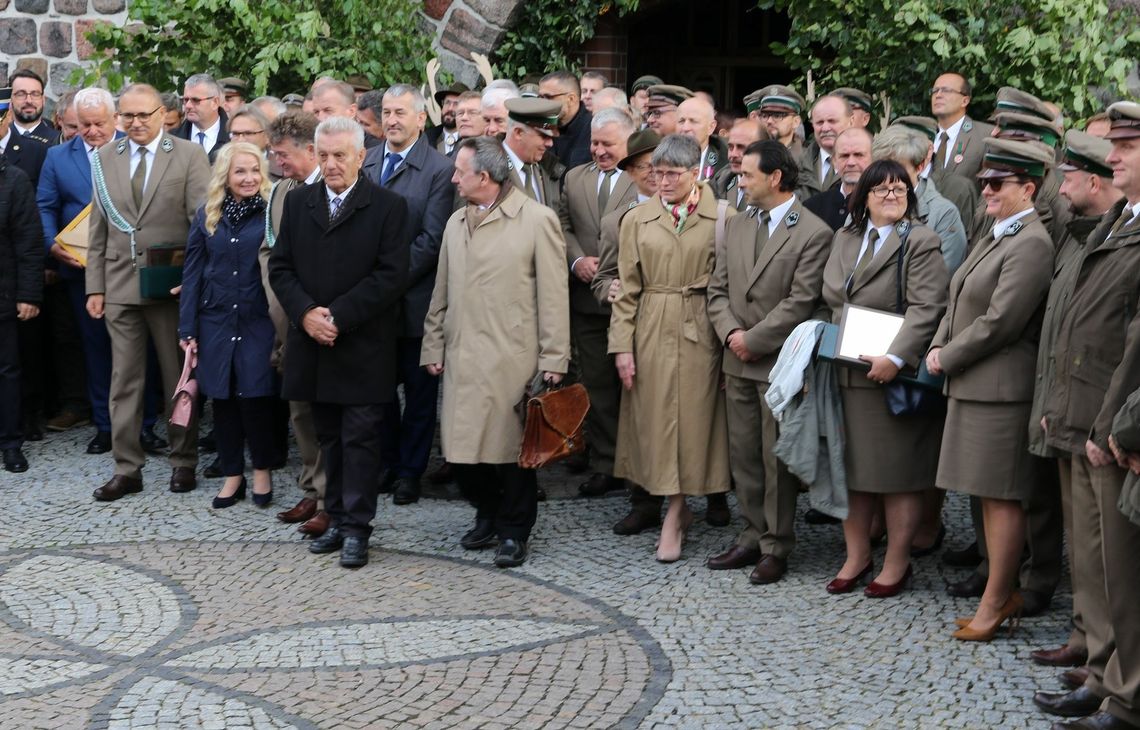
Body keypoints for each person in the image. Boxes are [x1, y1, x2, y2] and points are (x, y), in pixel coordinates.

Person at [1035, 101, 1140, 729]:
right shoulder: (1121, 218)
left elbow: (1133, 343)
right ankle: (1106, 676)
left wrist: (1113, 426)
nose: (1115, 155)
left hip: (1115, 421)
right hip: (1087, 413)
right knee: (1098, 567)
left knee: (1121, 572)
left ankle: (1125, 694)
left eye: (1127, 145)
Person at [421, 136, 570, 568]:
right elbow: (441, 290)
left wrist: (554, 358)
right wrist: (433, 342)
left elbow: (554, 295)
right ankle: (487, 511)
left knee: (511, 455)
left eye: (459, 171)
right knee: (462, 455)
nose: (453, 178)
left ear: (483, 177)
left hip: (513, 358)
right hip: (463, 355)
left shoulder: (536, 220)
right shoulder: (455, 222)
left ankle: (513, 531)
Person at [926, 138, 1054, 639]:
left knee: (1002, 499)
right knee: (984, 497)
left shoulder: (1031, 242)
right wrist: (938, 345)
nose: (987, 191)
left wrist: (947, 355)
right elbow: (958, 296)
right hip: (975, 384)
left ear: (1029, 188)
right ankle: (997, 593)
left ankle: (999, 598)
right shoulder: (997, 233)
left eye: (997, 184)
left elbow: (1001, 321)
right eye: (983, 182)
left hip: (1000, 388)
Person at [268, 116, 409, 568]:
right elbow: (281, 268)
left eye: (340, 156)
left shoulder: (388, 206)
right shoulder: (300, 202)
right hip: (313, 343)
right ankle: (337, 515)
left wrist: (339, 316)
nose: (330, 165)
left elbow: (391, 277)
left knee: (361, 440)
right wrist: (306, 314)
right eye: (324, 156)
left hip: (363, 345)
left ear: (361, 157)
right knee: (329, 437)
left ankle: (357, 529)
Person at [706, 140, 832, 583]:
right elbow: (716, 289)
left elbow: (802, 301)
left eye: (746, 175)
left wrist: (754, 340)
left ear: (775, 178)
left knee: (775, 458)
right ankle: (751, 534)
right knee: (743, 455)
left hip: (777, 364)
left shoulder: (813, 231)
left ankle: (777, 544)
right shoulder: (738, 225)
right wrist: (730, 335)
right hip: (737, 359)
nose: (739, 181)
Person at [820, 159, 948, 597]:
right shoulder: (845, 237)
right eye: (882, 189)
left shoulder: (921, 241)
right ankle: (856, 556)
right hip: (846, 371)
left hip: (892, 376)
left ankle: (897, 562)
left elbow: (928, 306)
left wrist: (896, 356)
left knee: (897, 475)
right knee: (852, 471)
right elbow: (832, 296)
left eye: (900, 189)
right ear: (864, 196)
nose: (891, 195)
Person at [608, 134, 732, 563]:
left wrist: (728, 343)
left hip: (703, 326)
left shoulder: (723, 218)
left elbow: (728, 286)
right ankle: (669, 507)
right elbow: (626, 288)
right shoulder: (636, 219)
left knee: (697, 425)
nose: (662, 181)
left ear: (695, 173)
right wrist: (622, 346)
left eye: (672, 173)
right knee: (657, 423)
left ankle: (677, 511)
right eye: (656, 172)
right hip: (651, 326)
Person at [1028, 130, 1122, 682]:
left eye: (1068, 176)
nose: (1059, 186)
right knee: (1082, 541)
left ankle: (1106, 659)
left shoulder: (1106, 237)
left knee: (1101, 547)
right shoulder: (1084, 235)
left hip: (1102, 415)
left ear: (1093, 180)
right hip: (1071, 407)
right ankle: (1087, 638)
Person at [86, 83, 210, 501]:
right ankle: (127, 467)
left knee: (179, 377)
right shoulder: (105, 158)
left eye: (144, 114)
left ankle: (183, 460)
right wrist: (95, 286)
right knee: (124, 381)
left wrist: (194, 284)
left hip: (170, 286)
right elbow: (98, 227)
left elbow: (202, 224)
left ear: (162, 113)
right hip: (120, 286)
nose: (136, 123)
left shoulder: (189, 155)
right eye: (128, 116)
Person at [360, 84, 454, 506]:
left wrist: (386, 279)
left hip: (415, 301)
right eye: (387, 112)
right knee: (377, 390)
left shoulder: (439, 169)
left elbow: (433, 239)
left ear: (421, 118)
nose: (392, 120)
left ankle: (410, 472)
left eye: (401, 112)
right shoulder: (368, 160)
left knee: (418, 395)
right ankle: (387, 461)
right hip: (373, 305)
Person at [179, 142, 277, 508]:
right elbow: (192, 273)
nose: (249, 177)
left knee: (255, 398)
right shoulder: (207, 214)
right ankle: (232, 475)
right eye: (240, 171)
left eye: (254, 170)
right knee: (221, 399)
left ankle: (263, 471)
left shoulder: (271, 212)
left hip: (258, 319)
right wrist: (186, 329)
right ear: (226, 176)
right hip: (215, 319)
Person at [558, 107, 639, 499]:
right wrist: (576, 261)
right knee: (599, 386)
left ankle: (636, 466)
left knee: (633, 388)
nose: (599, 150)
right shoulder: (574, 178)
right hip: (588, 303)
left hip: (632, 301)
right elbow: (562, 225)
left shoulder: (643, 178)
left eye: (608, 144)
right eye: (594, 142)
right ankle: (607, 463)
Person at [264, 111, 329, 536]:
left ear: (310, 150)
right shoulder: (282, 192)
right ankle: (311, 485)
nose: (277, 161)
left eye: (283, 154)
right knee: (300, 408)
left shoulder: (338, 187)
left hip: (327, 319)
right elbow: (270, 256)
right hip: (290, 319)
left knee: (329, 412)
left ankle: (330, 496)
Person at [0, 149, 43, 473]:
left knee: (7, 371)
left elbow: (28, 242)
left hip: (5, 293)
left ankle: (11, 443)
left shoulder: (13, 180)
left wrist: (28, 294)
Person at [929, 72, 993, 184]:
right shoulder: (922, 136)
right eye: (935, 90)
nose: (938, 95)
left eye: (946, 90)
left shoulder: (985, 136)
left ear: (965, 101)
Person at [805, 127, 873, 231]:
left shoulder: (883, 206)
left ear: (874, 158)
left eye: (858, 155)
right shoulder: (812, 207)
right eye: (844, 156)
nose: (851, 162)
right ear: (834, 162)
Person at [503, 98, 563, 208]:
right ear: (519, 133)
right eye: (544, 136)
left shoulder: (547, 167)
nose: (550, 144)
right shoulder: (488, 169)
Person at [797, 94, 852, 200]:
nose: (825, 128)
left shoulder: (870, 164)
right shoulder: (795, 165)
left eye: (832, 121)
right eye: (819, 122)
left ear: (851, 121)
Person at [541, 71, 592, 169]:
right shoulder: (540, 127)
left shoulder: (593, 130)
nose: (542, 103)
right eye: (540, 97)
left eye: (548, 97)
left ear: (571, 99)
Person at [711, 118, 763, 212]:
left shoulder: (775, 190)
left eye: (741, 147)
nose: (733, 154)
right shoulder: (719, 182)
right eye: (730, 147)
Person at [173, 74, 230, 159]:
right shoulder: (172, 138)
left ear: (215, 102)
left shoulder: (235, 137)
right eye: (186, 100)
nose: (188, 105)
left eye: (196, 100)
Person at [676, 96, 728, 182]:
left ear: (711, 127)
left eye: (693, 121)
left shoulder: (725, 161)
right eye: (681, 121)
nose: (685, 128)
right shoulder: (661, 158)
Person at [7, 69, 55, 143]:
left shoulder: (57, 142)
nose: (29, 101)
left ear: (43, 100)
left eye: (35, 94)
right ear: (10, 99)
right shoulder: (2, 138)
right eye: (21, 94)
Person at [757, 86, 806, 157]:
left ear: (796, 122)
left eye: (777, 116)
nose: (769, 121)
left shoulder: (808, 160)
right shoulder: (754, 154)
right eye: (765, 116)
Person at [427, 82, 467, 155]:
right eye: (447, 102)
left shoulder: (473, 141)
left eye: (456, 104)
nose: (450, 108)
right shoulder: (426, 139)